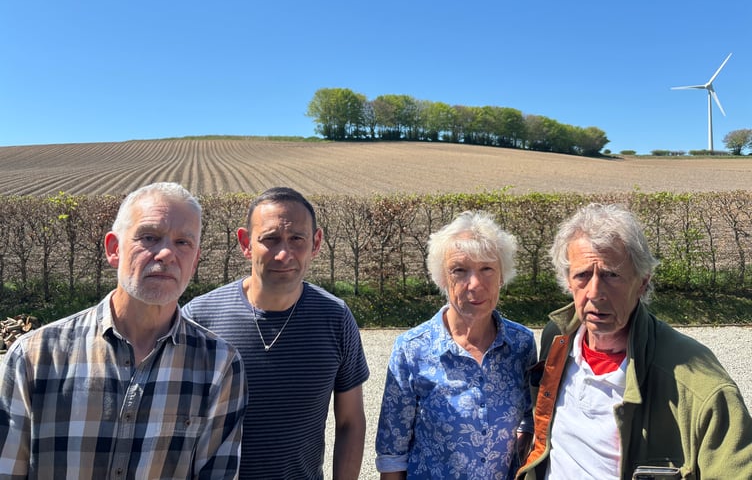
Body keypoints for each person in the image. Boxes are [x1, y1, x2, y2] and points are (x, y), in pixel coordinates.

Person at [0, 182, 248, 479]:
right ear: (114, 249)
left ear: (194, 261)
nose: (167, 253)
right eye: (149, 237)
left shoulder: (219, 364)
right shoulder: (35, 356)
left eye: (183, 243)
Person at [519, 203, 752, 480]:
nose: (595, 292)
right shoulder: (556, 339)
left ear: (642, 282)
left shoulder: (700, 383)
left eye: (611, 275)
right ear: (568, 282)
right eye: (582, 275)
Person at [183, 186, 369, 480]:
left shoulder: (335, 318)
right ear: (245, 243)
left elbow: (350, 422)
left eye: (297, 239)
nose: (284, 254)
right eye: (270, 239)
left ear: (316, 243)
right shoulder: (200, 317)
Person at [375, 211, 537, 480]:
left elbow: (530, 416)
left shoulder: (521, 345)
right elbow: (393, 453)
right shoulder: (412, 349)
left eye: (487, 269)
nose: (474, 284)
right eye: (459, 270)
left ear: (502, 276)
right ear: (442, 278)